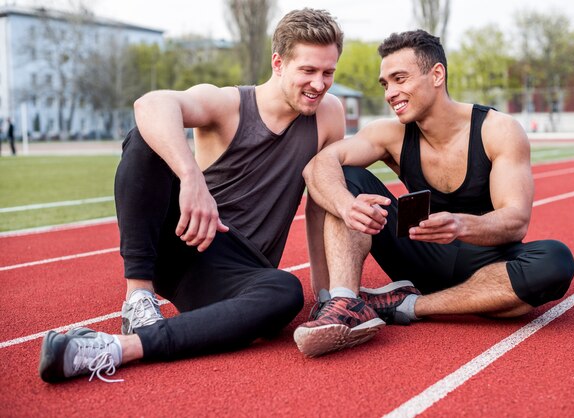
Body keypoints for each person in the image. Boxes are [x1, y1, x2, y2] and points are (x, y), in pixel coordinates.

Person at [38, 8, 345, 383]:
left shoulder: (329, 115)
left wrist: (327, 294)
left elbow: (319, 204)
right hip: (189, 238)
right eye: (308, 71)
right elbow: (149, 104)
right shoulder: (228, 104)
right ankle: (139, 299)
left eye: (328, 72)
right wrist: (190, 177)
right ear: (278, 63)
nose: (319, 83)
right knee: (146, 137)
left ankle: (121, 347)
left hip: (238, 273)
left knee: (285, 291)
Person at [294, 30, 574, 357]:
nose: (391, 93)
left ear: (437, 74)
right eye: (385, 84)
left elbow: (515, 221)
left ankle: (408, 305)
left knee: (555, 262)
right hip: (419, 251)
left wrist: (460, 224)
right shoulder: (390, 134)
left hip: (483, 259)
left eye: (400, 78)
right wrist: (346, 205)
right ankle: (346, 303)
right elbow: (318, 165)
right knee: (343, 176)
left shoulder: (497, 130)